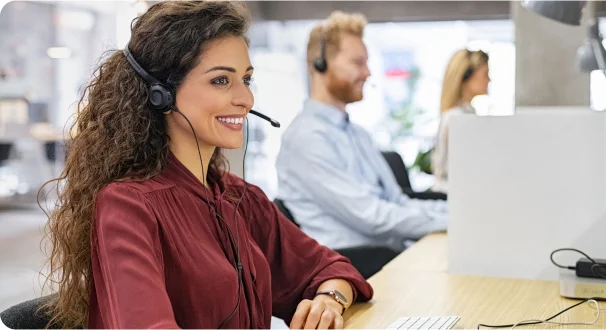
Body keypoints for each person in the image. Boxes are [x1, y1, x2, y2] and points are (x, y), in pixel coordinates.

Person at [39, 2, 372, 329]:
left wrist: (329, 300)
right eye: (221, 81)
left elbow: (333, 268)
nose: (247, 99)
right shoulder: (127, 207)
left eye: (246, 79)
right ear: (162, 93)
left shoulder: (240, 197)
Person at [275, 11, 448, 255]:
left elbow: (397, 202)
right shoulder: (306, 139)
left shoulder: (357, 135)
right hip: (351, 265)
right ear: (320, 64)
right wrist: (456, 221)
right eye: (357, 63)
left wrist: (457, 213)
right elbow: (374, 218)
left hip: (389, 254)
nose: (367, 73)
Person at [432, 49, 490, 194]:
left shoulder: (466, 115)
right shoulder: (456, 118)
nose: (489, 80)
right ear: (465, 77)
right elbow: (466, 169)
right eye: (485, 74)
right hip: (451, 195)